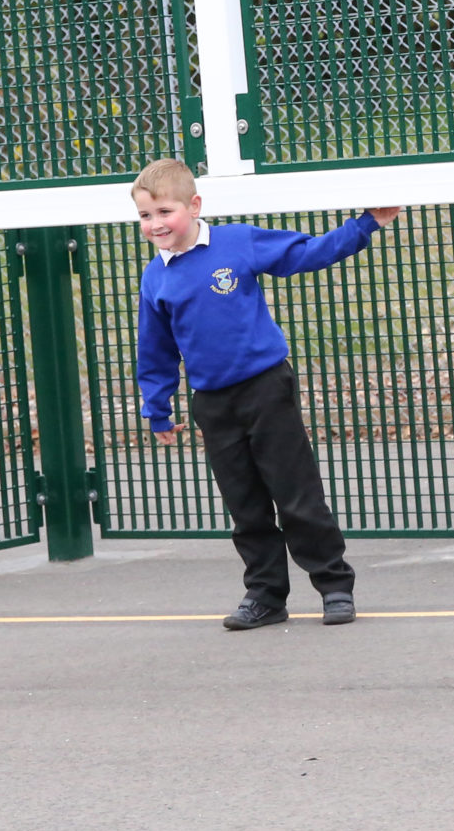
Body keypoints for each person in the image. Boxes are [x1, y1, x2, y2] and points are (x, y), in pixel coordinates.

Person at [130, 157, 400, 630]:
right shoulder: (156, 278)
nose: (155, 224)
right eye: (145, 216)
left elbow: (309, 253)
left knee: (296, 492)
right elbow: (155, 349)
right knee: (245, 504)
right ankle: (266, 596)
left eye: (164, 212)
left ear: (194, 206)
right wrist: (157, 407)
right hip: (212, 403)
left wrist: (367, 223)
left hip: (265, 388)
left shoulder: (238, 243)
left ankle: (334, 585)